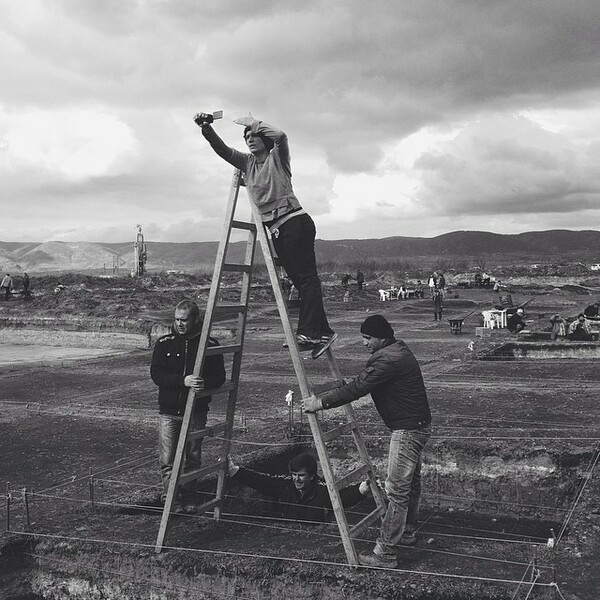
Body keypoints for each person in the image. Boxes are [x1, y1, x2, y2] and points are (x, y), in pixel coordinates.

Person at [195, 112, 336, 358]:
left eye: (254, 135)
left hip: (294, 222)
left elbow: (281, 136)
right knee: (301, 281)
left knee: (307, 279)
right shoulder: (247, 164)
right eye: (246, 136)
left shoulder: (277, 158)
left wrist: (253, 122)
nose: (249, 139)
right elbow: (222, 150)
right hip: (277, 229)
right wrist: (206, 129)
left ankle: (310, 332)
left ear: (264, 139)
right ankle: (322, 332)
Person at [304, 315, 432, 568]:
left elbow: (358, 388)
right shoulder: (397, 350)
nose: (364, 343)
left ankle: (385, 553)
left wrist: (320, 403)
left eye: (367, 338)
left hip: (407, 431)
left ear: (381, 337)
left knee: (396, 490)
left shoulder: (388, 358)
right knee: (411, 485)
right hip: (416, 426)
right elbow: (363, 381)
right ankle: (406, 532)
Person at [151, 300, 226, 509]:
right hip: (168, 412)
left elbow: (219, 376)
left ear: (195, 320)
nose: (179, 324)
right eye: (176, 319)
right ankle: (170, 501)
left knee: (192, 458)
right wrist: (182, 380)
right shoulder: (164, 343)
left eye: (184, 320)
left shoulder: (209, 345)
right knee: (168, 460)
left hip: (196, 411)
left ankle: (189, 497)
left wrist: (204, 383)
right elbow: (156, 374)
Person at [227, 452, 371, 522]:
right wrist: (235, 471)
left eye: (301, 475)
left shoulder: (321, 490)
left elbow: (342, 497)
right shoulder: (286, 485)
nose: (296, 479)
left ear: (312, 476)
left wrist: (363, 488)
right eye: (294, 474)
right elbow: (262, 481)